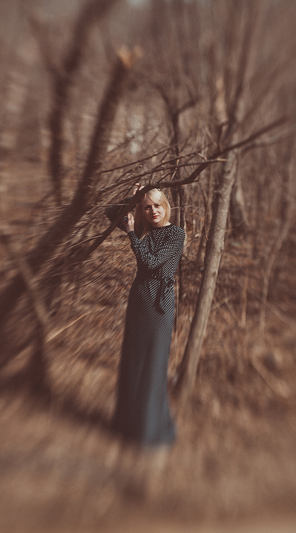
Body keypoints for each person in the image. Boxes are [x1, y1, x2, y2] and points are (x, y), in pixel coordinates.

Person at [106, 185, 185, 446]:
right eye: (147, 207)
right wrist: (133, 198)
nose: (153, 211)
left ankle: (149, 430)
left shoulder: (176, 233)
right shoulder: (143, 229)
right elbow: (111, 213)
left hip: (159, 304)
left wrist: (131, 234)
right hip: (139, 299)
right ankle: (126, 425)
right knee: (133, 360)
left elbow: (150, 262)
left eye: (157, 205)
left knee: (153, 363)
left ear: (165, 206)